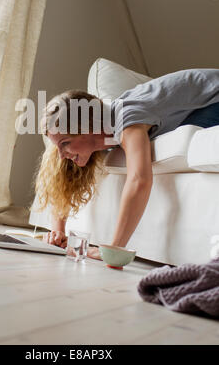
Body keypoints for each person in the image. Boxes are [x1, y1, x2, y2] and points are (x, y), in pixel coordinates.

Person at [34, 68, 219, 259]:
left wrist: (112, 249)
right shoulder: (103, 131)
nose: (62, 155)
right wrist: (58, 232)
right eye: (58, 146)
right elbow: (63, 174)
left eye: (65, 144)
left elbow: (139, 179)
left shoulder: (127, 117)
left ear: (88, 128)